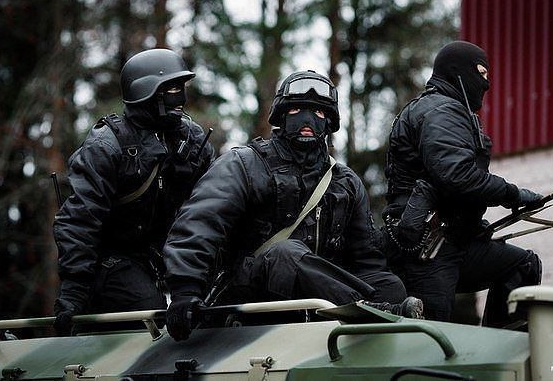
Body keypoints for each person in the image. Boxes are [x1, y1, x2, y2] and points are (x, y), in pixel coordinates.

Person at [163, 70, 422, 341]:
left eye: (318, 113)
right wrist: (185, 290)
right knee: (286, 253)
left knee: (389, 286)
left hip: (318, 298)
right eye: (297, 110)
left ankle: (375, 314)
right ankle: (369, 312)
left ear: (329, 122)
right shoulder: (244, 164)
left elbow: (367, 259)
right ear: (281, 116)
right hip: (247, 293)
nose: (307, 120)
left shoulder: (344, 182)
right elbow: (199, 223)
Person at [53, 48, 215, 335]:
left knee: (213, 307)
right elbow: (79, 220)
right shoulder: (107, 145)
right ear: (146, 92)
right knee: (150, 314)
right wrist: (74, 292)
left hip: (173, 254)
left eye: (182, 88)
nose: (180, 98)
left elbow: (212, 206)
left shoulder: (191, 139)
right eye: (171, 89)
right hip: (114, 259)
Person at [383, 41, 543, 327]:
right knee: (429, 335)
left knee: (522, 266)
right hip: (427, 249)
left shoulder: (445, 110)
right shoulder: (441, 111)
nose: (487, 83)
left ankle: (501, 350)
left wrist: (472, 223)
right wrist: (513, 194)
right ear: (458, 72)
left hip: (455, 242)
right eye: (481, 73)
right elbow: (458, 176)